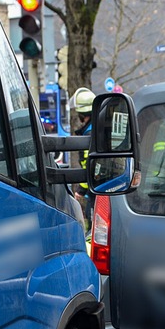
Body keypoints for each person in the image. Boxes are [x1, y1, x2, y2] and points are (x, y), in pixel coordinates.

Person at [70, 86, 95, 226]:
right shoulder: (96, 130)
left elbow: (88, 164)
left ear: (84, 115)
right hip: (101, 187)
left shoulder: (89, 135)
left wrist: (81, 190)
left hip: (93, 189)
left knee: (93, 226)